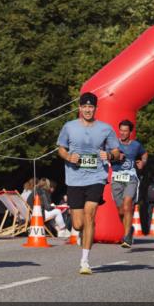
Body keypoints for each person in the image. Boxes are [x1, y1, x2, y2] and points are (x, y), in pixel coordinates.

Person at [56, 92, 121, 275]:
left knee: (90, 214)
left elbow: (116, 151)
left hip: (96, 177)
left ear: (95, 109)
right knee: (78, 224)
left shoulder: (106, 129)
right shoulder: (69, 127)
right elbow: (61, 148)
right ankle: (82, 234)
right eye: (84, 107)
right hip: (74, 178)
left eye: (91, 107)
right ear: (79, 108)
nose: (87, 110)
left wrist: (108, 155)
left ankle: (85, 261)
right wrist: (69, 156)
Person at [111, 119, 147, 249]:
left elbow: (144, 154)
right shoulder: (113, 144)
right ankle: (129, 229)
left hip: (131, 177)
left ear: (130, 132)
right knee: (121, 211)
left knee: (128, 204)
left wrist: (143, 162)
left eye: (126, 131)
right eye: (121, 130)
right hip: (116, 178)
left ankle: (127, 237)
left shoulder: (136, 145)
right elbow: (104, 155)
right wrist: (114, 156)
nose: (123, 133)